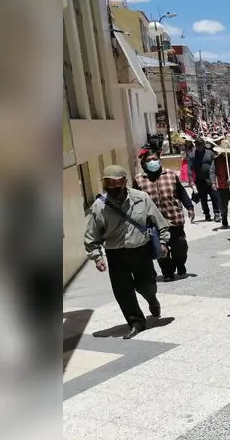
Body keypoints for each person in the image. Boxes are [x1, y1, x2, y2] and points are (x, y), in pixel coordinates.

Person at [84, 165, 171, 340]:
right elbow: (91, 236)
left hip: (140, 251)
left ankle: (151, 299)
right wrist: (97, 257)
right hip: (115, 254)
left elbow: (159, 222)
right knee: (122, 292)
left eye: (115, 182)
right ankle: (136, 322)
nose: (112, 186)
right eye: (108, 182)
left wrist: (163, 242)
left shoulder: (141, 198)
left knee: (146, 285)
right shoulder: (99, 206)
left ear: (124, 181)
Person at [133, 151, 195, 281]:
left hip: (174, 219)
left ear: (159, 160)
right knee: (161, 250)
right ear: (144, 164)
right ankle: (167, 272)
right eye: (149, 160)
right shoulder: (139, 180)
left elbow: (182, 193)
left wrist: (189, 207)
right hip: (153, 224)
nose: (152, 162)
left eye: (154, 159)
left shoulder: (171, 175)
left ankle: (180, 264)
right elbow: (135, 202)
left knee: (180, 248)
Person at [190, 138, 220, 221]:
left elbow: (215, 166)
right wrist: (191, 180)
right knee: (203, 199)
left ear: (203, 144)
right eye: (196, 144)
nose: (198, 146)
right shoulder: (192, 155)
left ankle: (217, 213)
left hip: (210, 179)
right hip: (199, 180)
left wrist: (215, 179)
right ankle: (207, 214)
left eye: (199, 144)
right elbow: (190, 169)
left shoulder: (210, 153)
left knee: (214, 197)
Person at [210, 143, 230, 228]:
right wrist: (213, 182)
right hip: (222, 186)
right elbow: (212, 171)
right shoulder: (216, 160)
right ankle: (224, 219)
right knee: (223, 205)